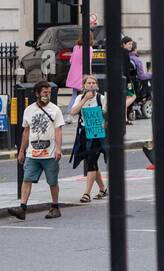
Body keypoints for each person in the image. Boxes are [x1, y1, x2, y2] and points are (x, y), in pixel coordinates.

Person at [8, 80, 64, 220]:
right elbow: (26, 132)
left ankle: (55, 207)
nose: (47, 95)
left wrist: (58, 148)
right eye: (45, 92)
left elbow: (58, 131)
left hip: (49, 153)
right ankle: (22, 208)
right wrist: (21, 151)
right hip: (32, 153)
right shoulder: (29, 110)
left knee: (52, 181)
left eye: (49, 93)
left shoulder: (55, 110)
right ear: (37, 93)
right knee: (27, 179)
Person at [69, 74, 108, 204]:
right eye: (88, 83)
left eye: (93, 83)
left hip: (98, 133)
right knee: (92, 161)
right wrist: (84, 99)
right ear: (84, 85)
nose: (91, 85)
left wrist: (104, 123)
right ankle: (103, 188)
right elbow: (73, 112)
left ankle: (87, 193)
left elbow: (108, 115)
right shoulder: (80, 98)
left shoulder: (101, 98)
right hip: (85, 133)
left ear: (96, 85)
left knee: (91, 161)